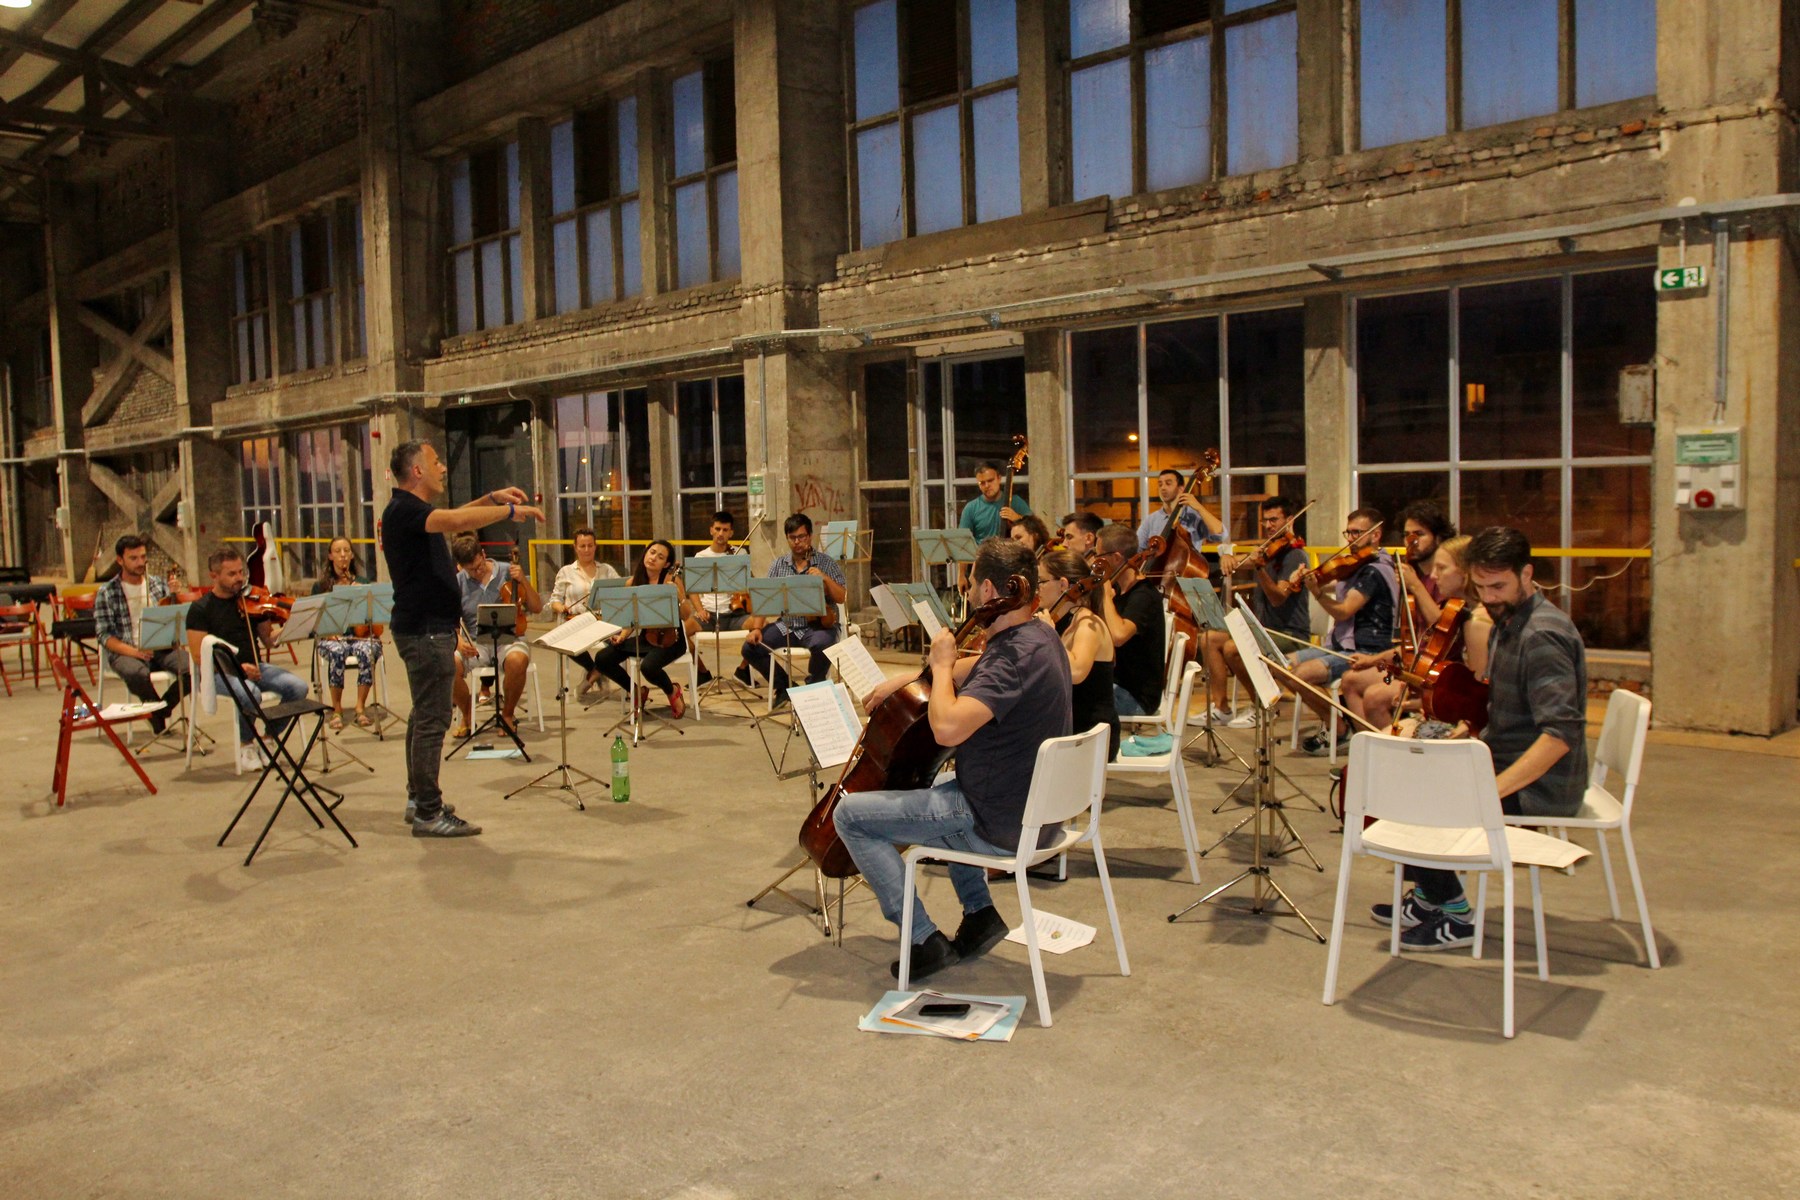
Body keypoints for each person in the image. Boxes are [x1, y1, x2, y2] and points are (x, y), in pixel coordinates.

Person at [833, 537, 1072, 981]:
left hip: (997, 819)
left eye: (970, 583)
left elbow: (947, 728)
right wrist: (912, 677)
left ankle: (922, 939)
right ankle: (980, 916)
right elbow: (979, 667)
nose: (968, 592)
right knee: (939, 788)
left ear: (988, 591)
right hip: (1029, 807)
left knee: (850, 816)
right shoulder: (1040, 636)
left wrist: (941, 666)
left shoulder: (1012, 658)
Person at [1376, 526, 1589, 951]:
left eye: (1499, 586)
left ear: (1527, 574)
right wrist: (1462, 736)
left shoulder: (1541, 636)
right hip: (1505, 760)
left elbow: (1559, 736)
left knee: (1417, 801)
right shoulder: (1510, 622)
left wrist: (1489, 791)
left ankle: (1455, 916)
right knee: (1406, 772)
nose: (1489, 597)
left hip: (1543, 786)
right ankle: (1430, 897)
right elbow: (1510, 714)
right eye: (1481, 586)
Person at [382, 438, 543, 837]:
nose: (442, 468)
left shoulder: (410, 511)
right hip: (425, 631)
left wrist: (490, 498)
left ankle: (418, 799)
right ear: (417, 470)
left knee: (423, 715)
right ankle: (428, 812)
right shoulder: (404, 510)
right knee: (432, 720)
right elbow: (454, 522)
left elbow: (453, 516)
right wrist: (508, 511)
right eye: (436, 461)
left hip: (425, 628)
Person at [1341, 534, 1491, 731]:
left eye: (1442, 568)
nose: (1434, 576)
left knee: (1380, 709)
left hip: (1465, 721)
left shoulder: (1476, 621)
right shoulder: (1457, 609)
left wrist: (1426, 700)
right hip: (1444, 698)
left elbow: (1476, 696)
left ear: (1466, 572)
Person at [184, 546, 311, 773]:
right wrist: (240, 669)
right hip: (219, 674)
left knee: (298, 688)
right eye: (232, 574)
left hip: (255, 667)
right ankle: (247, 745)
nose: (240, 578)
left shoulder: (250, 601)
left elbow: (268, 640)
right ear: (214, 576)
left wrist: (292, 627)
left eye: (241, 572)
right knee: (250, 693)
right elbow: (199, 657)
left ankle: (268, 738)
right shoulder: (200, 609)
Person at [1293, 507, 1397, 755]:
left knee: (1300, 675)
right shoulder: (1358, 566)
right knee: (1282, 665)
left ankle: (1339, 729)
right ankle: (1338, 725)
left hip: (1365, 649)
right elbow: (1337, 585)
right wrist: (1308, 579)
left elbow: (1343, 611)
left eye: (1356, 533)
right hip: (1341, 644)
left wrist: (1317, 593)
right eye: (1348, 533)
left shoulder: (1375, 570)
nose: (1350, 539)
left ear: (1376, 535)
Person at [1207, 494, 1312, 727]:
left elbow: (1277, 598)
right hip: (1264, 630)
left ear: (1289, 520)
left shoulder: (1295, 555)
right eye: (1265, 520)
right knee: (1210, 637)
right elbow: (1238, 562)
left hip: (1289, 634)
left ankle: (1263, 706)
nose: (1268, 526)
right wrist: (1227, 557)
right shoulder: (1268, 551)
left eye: (1274, 520)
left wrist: (1260, 569)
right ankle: (1221, 708)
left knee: (1233, 648)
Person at [739, 513, 847, 706]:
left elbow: (841, 597)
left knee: (823, 644)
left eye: (802, 537)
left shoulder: (826, 562)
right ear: (787, 538)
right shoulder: (778, 565)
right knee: (750, 648)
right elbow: (765, 601)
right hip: (787, 625)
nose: (797, 542)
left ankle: (812, 688)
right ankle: (785, 688)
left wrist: (824, 578)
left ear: (810, 536)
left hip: (819, 626)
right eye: (793, 538)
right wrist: (756, 628)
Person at [585, 539, 696, 719]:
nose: (653, 558)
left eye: (660, 557)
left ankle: (672, 691)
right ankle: (636, 691)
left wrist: (679, 596)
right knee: (602, 658)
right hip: (646, 637)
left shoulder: (671, 580)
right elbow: (631, 619)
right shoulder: (633, 583)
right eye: (652, 552)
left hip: (672, 640)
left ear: (666, 564)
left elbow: (686, 615)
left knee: (648, 667)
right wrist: (622, 636)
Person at [450, 534, 544, 738]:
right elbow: (449, 621)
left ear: (483, 554)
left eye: (479, 566)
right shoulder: (458, 582)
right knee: (447, 664)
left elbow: (537, 607)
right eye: (470, 570)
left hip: (510, 638)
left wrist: (523, 580)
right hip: (476, 642)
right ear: (461, 567)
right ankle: (468, 713)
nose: (477, 572)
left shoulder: (508, 571)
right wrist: (459, 641)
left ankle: (508, 715)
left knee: (517, 660)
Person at [93, 534, 186, 735]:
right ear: (120, 560)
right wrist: (134, 652)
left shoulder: (157, 584)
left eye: (143, 557)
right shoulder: (107, 592)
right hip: (126, 650)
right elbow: (104, 635)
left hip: (159, 647)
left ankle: (161, 709)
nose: (140, 562)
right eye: (133, 558)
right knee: (137, 674)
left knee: (196, 666)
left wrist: (175, 596)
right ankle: (156, 713)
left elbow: (173, 620)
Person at [1039, 549, 1118, 760]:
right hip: (1070, 729)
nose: (1037, 588)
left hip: (1090, 735)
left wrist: (1049, 635)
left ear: (1063, 584)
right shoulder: (1061, 621)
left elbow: (1076, 672)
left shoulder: (1087, 624)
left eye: (1042, 581)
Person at [310, 536, 383, 731]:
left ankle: (360, 707)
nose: (343, 555)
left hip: (359, 636)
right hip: (333, 638)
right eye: (338, 551)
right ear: (330, 556)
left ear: (351, 556)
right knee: (337, 652)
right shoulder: (321, 586)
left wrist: (362, 596)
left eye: (347, 551)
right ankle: (337, 709)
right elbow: (315, 621)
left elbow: (372, 617)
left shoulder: (362, 582)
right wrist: (327, 633)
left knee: (368, 650)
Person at [1095, 522, 1166, 717]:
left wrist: (1105, 595)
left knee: (1072, 701)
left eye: (1099, 556)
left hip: (1135, 696)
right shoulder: (1119, 589)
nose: (1095, 562)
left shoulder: (1144, 596)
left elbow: (1118, 636)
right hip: (1116, 683)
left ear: (1116, 557)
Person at [547, 526, 621, 698]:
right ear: (575, 547)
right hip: (576, 622)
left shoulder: (607, 570)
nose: (587, 550)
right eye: (582, 546)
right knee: (565, 642)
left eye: (590, 545)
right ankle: (595, 670)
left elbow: (620, 591)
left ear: (595, 546)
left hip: (602, 623)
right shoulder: (566, 572)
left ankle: (594, 675)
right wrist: (561, 608)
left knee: (620, 643)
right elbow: (554, 600)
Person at [957, 463, 1032, 592]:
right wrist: (961, 575)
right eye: (982, 483)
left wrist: (1017, 518)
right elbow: (962, 543)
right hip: (982, 567)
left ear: (999, 478)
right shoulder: (971, 508)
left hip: (1011, 565)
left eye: (990, 480)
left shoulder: (1015, 501)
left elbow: (1034, 528)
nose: (987, 486)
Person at [1136, 466, 1223, 551]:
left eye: (1168, 483)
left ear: (1181, 489)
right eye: (1160, 484)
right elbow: (1137, 548)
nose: (1163, 488)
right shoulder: (1151, 520)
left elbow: (1220, 534)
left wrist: (1199, 507)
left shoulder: (1194, 516)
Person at [1396, 501, 1457, 621]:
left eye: (1419, 534)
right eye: (1406, 535)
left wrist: (1415, 585)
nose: (1411, 541)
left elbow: (1443, 626)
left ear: (1438, 538)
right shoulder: (1409, 571)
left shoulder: (1448, 575)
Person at [691, 511, 749, 633]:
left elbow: (748, 583)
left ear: (731, 533)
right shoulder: (701, 556)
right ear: (711, 530)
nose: (721, 533)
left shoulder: (740, 553)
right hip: (709, 614)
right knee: (684, 628)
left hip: (735, 613)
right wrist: (700, 610)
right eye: (717, 529)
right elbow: (693, 589)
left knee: (761, 624)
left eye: (725, 530)